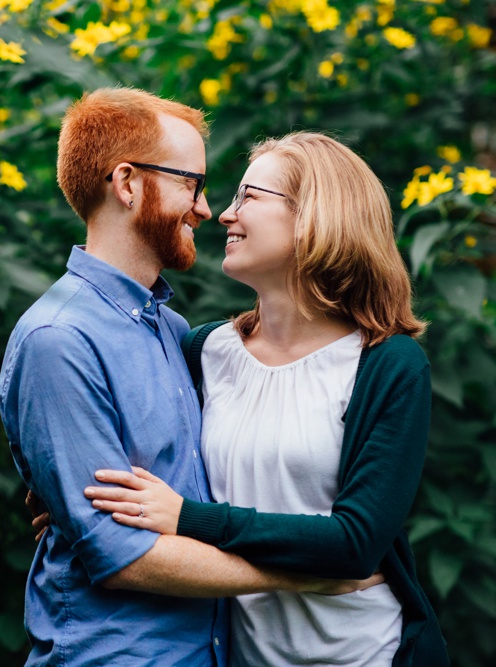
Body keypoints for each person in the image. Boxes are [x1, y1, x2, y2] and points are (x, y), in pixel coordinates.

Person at [0, 90, 375, 667]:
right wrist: (305, 575)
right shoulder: (59, 339)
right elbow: (123, 557)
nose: (205, 209)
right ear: (128, 184)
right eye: (192, 184)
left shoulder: (174, 332)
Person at [83, 132, 449, 666]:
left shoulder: (387, 365)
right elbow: (143, 454)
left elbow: (356, 545)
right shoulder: (205, 353)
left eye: (249, 197)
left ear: (316, 216)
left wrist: (189, 518)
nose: (224, 214)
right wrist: (71, 495)